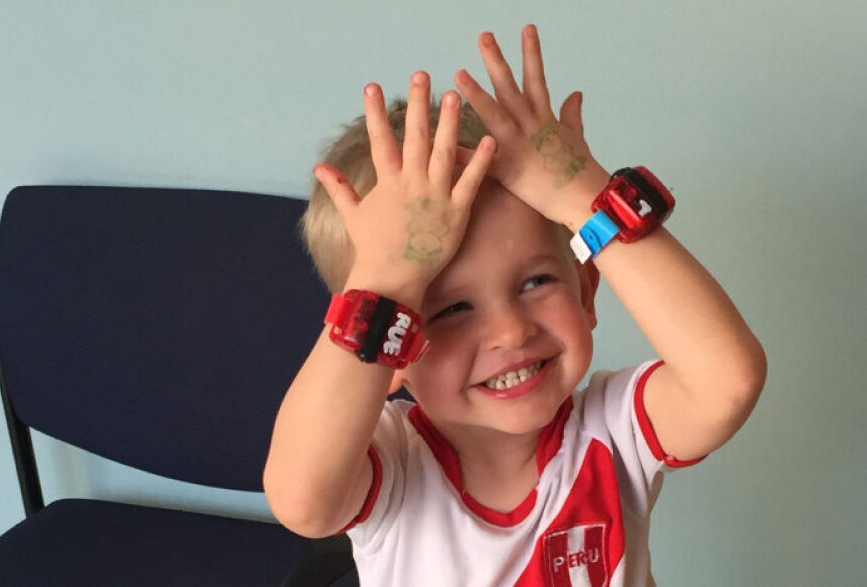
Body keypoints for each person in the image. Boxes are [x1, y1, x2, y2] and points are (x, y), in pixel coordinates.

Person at [263, 24, 766, 586]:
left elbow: (729, 380)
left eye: (536, 282)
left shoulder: (612, 428)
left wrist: (582, 196)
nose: (509, 331)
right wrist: (385, 277)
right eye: (451, 310)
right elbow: (301, 503)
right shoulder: (392, 461)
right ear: (391, 352)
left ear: (586, 290)